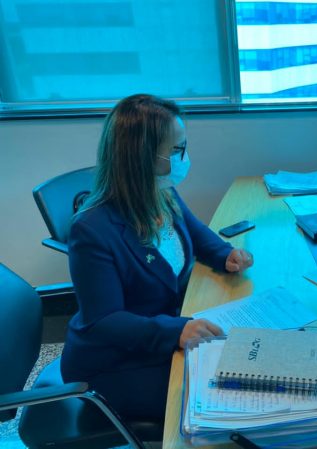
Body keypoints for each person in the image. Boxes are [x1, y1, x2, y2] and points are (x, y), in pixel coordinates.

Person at [60, 94, 253, 421]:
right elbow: (104, 321)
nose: (184, 157)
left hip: (157, 331)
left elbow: (194, 230)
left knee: (239, 363)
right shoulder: (91, 229)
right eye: (176, 150)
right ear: (142, 156)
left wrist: (225, 254)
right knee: (225, 394)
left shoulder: (161, 191)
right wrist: (175, 331)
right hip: (112, 363)